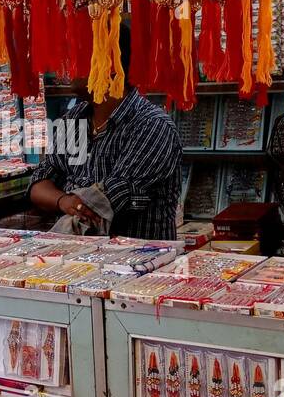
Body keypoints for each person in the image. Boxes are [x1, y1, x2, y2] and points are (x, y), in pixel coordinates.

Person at [28, 23, 183, 240]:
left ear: (109, 64)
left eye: (78, 55)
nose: (69, 64)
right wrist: (63, 201)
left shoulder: (151, 126)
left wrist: (69, 201)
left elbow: (102, 203)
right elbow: (40, 183)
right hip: (80, 262)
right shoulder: (73, 121)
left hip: (137, 263)